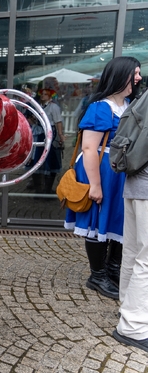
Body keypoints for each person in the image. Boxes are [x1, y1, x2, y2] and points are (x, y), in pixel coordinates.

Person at [64, 56, 142, 300]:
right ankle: (97, 276)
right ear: (121, 75)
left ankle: (112, 269)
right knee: (97, 221)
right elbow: (89, 149)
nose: (139, 77)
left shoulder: (130, 104)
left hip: (118, 172)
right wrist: (95, 186)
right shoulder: (100, 107)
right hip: (101, 171)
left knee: (118, 221)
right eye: (135, 73)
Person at [113, 131, 148, 352]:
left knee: (133, 252)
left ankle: (128, 306)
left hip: (136, 181)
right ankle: (132, 326)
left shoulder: (142, 99)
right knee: (145, 259)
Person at [28, 80, 65, 195]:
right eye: (42, 94)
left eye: (45, 94)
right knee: (36, 159)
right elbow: (32, 117)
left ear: (49, 96)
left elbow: (58, 122)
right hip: (38, 134)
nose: (42, 96)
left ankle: (47, 189)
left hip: (49, 135)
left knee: (50, 160)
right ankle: (39, 189)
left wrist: (60, 135)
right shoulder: (39, 106)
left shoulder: (54, 107)